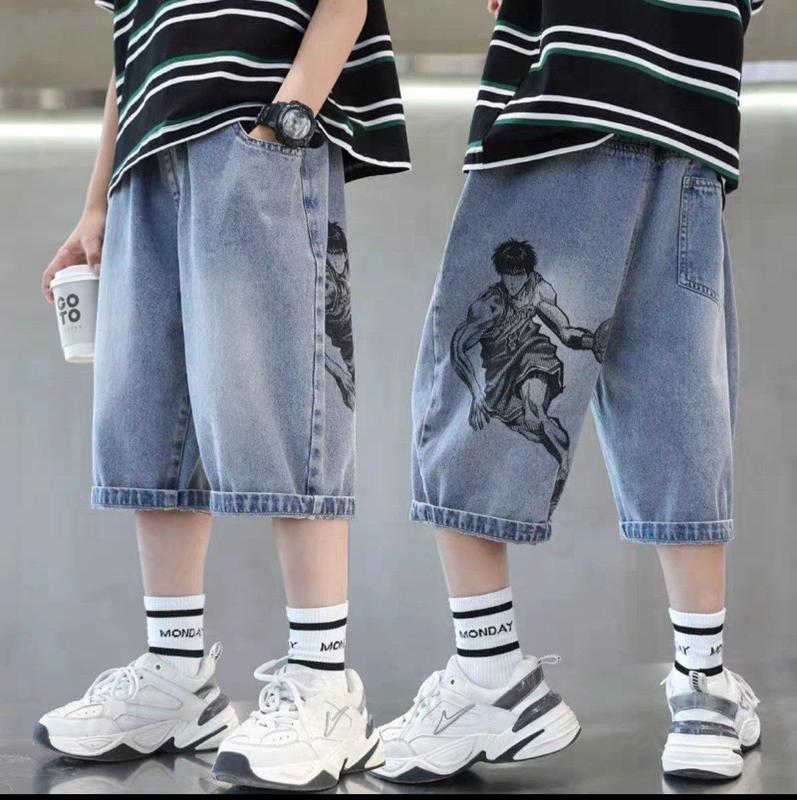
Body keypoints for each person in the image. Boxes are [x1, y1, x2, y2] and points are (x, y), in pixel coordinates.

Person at [375, 0, 764, 785]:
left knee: (476, 417)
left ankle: (489, 673)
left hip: (565, 108)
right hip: (687, 126)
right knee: (679, 412)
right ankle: (702, 686)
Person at [37, 0, 409, 792]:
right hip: (147, 158)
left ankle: (323, 683)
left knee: (285, 407)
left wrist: (284, 125)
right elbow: (133, 45)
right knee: (148, 416)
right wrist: (97, 202)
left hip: (251, 132)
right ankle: (176, 678)